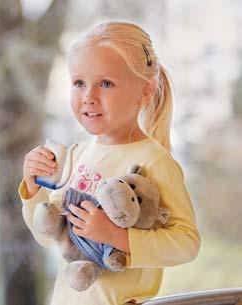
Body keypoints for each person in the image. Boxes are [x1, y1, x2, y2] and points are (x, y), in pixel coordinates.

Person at [20, 21, 200, 305]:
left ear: (145, 91)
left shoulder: (154, 160)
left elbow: (186, 244)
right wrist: (33, 192)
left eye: (105, 83)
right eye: (79, 83)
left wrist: (116, 236)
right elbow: (49, 237)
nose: (88, 97)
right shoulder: (79, 153)